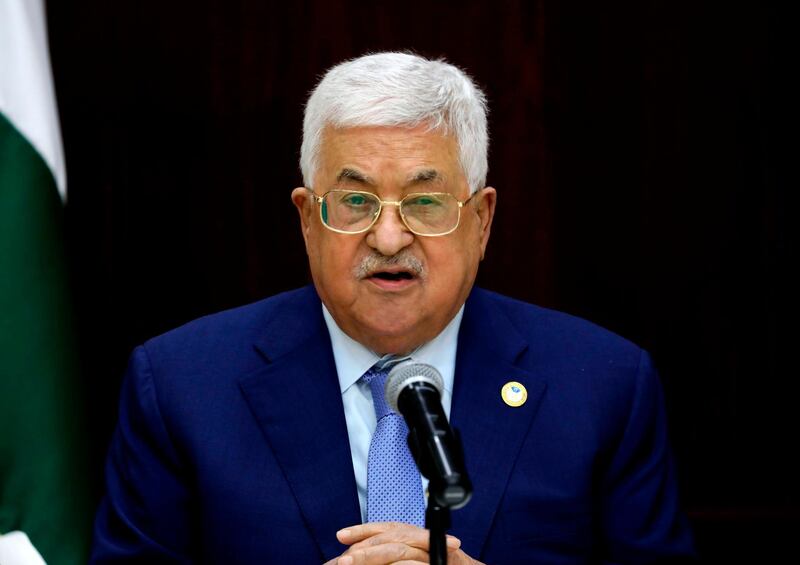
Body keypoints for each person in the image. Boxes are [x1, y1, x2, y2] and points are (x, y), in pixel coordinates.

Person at [90, 52, 696, 564]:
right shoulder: (182, 388)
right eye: (354, 200)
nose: (387, 238)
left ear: (481, 222)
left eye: (425, 202)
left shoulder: (602, 388)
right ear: (307, 220)